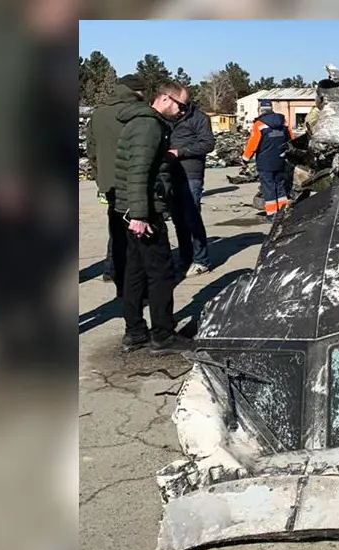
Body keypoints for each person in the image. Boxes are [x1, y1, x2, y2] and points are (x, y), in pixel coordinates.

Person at [113, 82, 195, 355]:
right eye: (181, 106)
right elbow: (138, 172)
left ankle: (135, 332)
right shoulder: (149, 127)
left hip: (132, 211)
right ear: (164, 98)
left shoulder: (141, 123)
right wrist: (139, 215)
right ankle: (162, 335)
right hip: (144, 213)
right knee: (161, 274)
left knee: (135, 273)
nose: (183, 113)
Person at [86, 74, 148, 298]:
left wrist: (100, 176)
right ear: (138, 91)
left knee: (117, 231)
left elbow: (91, 150)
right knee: (138, 237)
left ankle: (114, 275)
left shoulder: (99, 113)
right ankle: (135, 288)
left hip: (109, 183)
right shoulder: (136, 113)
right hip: (134, 183)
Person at [167, 89, 216, 277]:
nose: (178, 109)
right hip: (171, 174)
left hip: (191, 174)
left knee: (192, 218)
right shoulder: (168, 119)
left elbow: (208, 144)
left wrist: (180, 152)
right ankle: (185, 257)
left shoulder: (199, 118)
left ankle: (201, 260)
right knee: (178, 220)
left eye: (181, 105)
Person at [241, 99, 295, 222]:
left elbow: (253, 144)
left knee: (268, 188)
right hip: (281, 160)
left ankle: (272, 213)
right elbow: (291, 140)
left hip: (265, 162)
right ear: (272, 108)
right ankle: (283, 211)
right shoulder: (283, 122)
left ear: (260, 109)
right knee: (280, 186)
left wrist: (245, 158)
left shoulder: (259, 124)